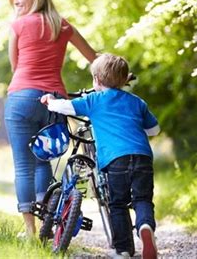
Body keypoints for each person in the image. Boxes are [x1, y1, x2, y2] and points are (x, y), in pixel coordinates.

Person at [4, 0, 97, 237]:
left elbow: (14, 66)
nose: (15, 0)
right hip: (55, 101)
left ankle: (30, 231)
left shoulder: (18, 25)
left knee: (23, 165)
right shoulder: (62, 25)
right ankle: (46, 222)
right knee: (43, 162)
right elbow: (93, 59)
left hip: (22, 98)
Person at [41, 53, 160, 259]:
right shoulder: (137, 102)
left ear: (96, 79)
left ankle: (123, 250)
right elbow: (154, 130)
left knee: (118, 203)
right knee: (142, 199)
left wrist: (50, 101)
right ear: (124, 80)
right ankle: (145, 226)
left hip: (115, 160)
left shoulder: (94, 100)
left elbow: (66, 106)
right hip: (142, 157)